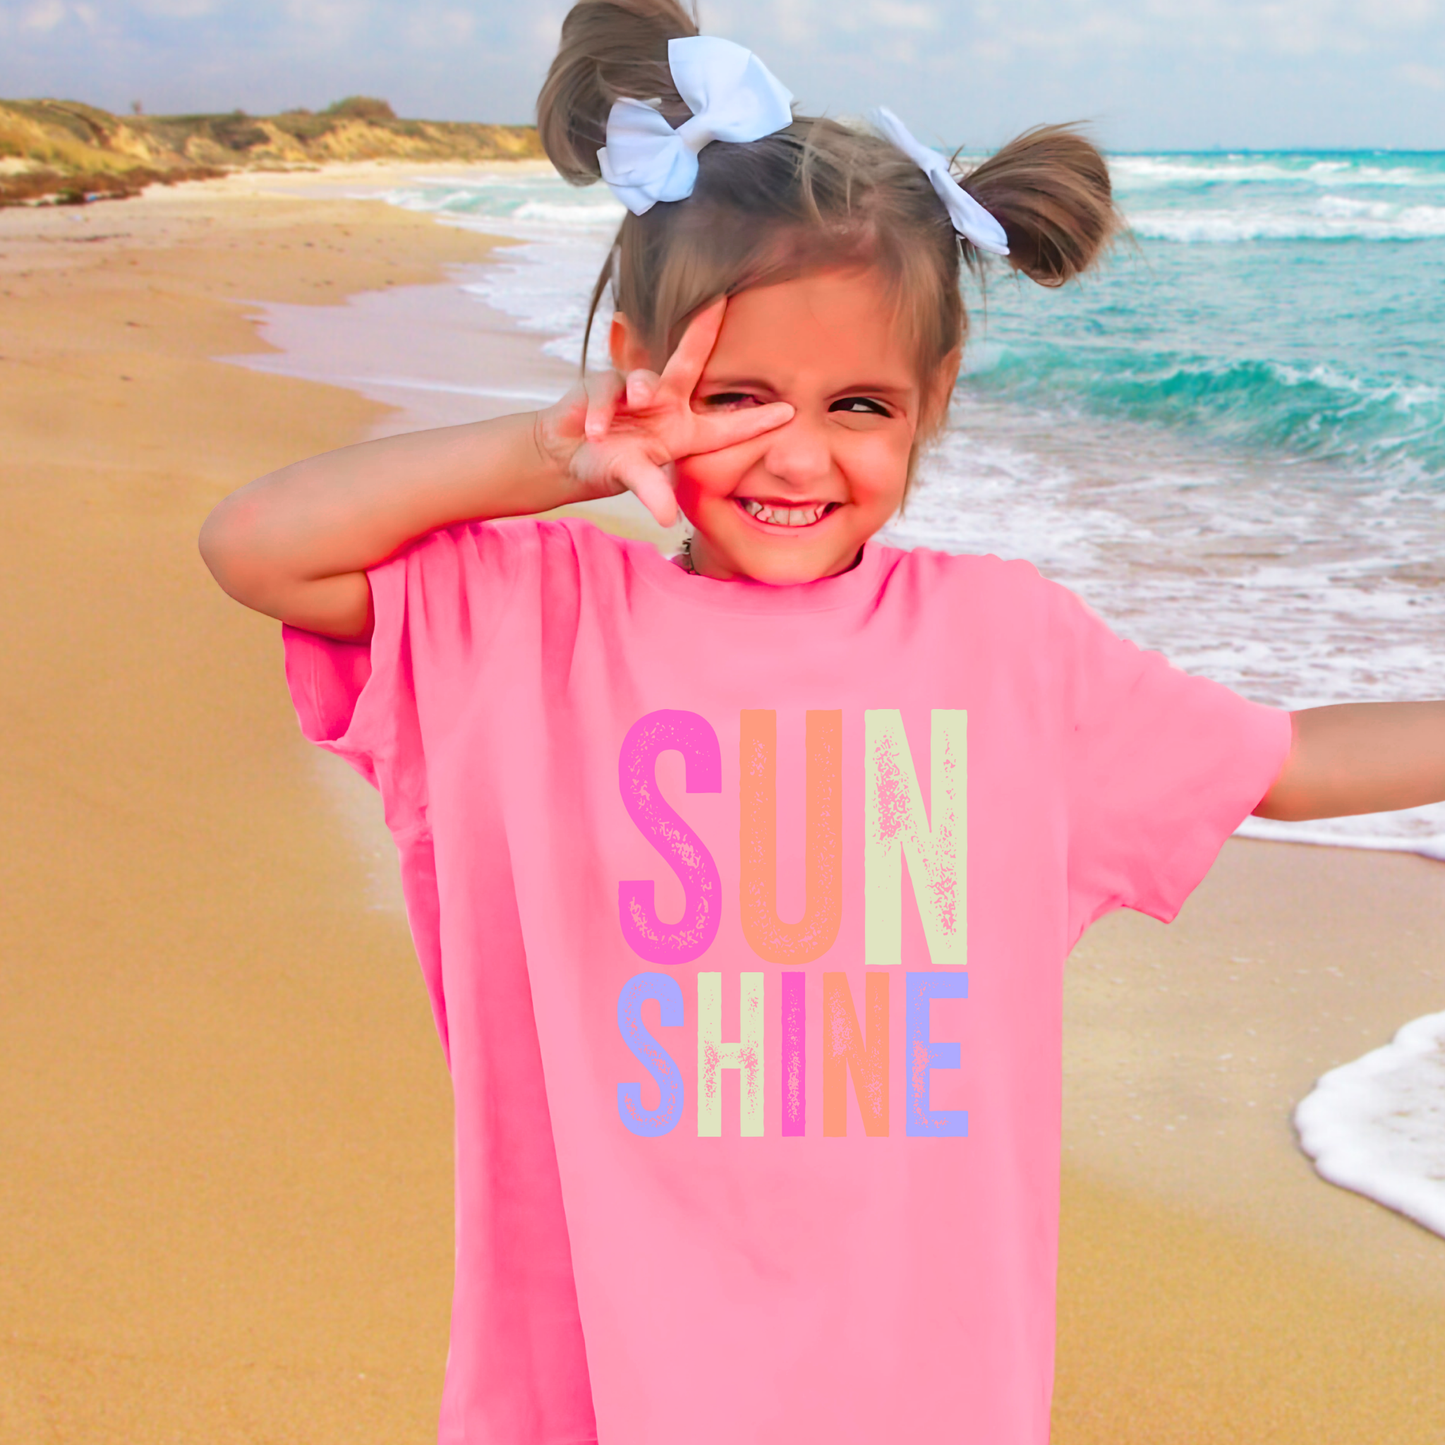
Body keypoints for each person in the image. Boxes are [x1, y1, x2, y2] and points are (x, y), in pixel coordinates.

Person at [198, 2, 1445, 1440]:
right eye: (735, 396)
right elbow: (261, 548)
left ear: (934, 400)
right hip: (603, 1375)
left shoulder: (1002, 647)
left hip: (911, 1383)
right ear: (633, 367)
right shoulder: (531, 624)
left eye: (859, 404)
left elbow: (1285, 764)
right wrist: (558, 450)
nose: (796, 455)